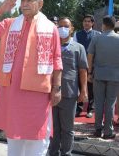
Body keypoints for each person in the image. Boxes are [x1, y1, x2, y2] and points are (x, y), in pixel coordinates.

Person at [0, 0, 63, 156]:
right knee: (14, 140)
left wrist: (57, 88)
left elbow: (57, 60)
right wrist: (0, 10)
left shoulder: (50, 28)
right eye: (23, 0)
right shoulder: (10, 24)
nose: (24, 4)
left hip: (38, 94)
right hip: (12, 92)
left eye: (29, 1)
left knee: (37, 139)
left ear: (40, 4)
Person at [48, 17, 88, 156]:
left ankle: (66, 153)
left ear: (71, 29)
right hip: (51, 92)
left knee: (67, 128)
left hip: (69, 94)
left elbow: (83, 71)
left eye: (66, 26)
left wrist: (83, 91)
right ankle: (53, 152)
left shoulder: (79, 48)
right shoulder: (51, 46)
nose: (63, 28)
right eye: (60, 26)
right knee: (54, 127)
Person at [88, 16, 119, 139]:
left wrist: (89, 72)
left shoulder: (96, 38)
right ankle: (108, 131)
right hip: (115, 76)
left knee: (99, 102)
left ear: (104, 25)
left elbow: (90, 56)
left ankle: (97, 129)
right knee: (110, 103)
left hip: (99, 74)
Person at [73, 14, 101, 118]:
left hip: (93, 66)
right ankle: (79, 108)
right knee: (79, 87)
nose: (86, 23)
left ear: (93, 23)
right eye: (85, 21)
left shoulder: (98, 34)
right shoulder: (77, 34)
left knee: (91, 89)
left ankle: (90, 109)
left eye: (89, 21)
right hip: (79, 65)